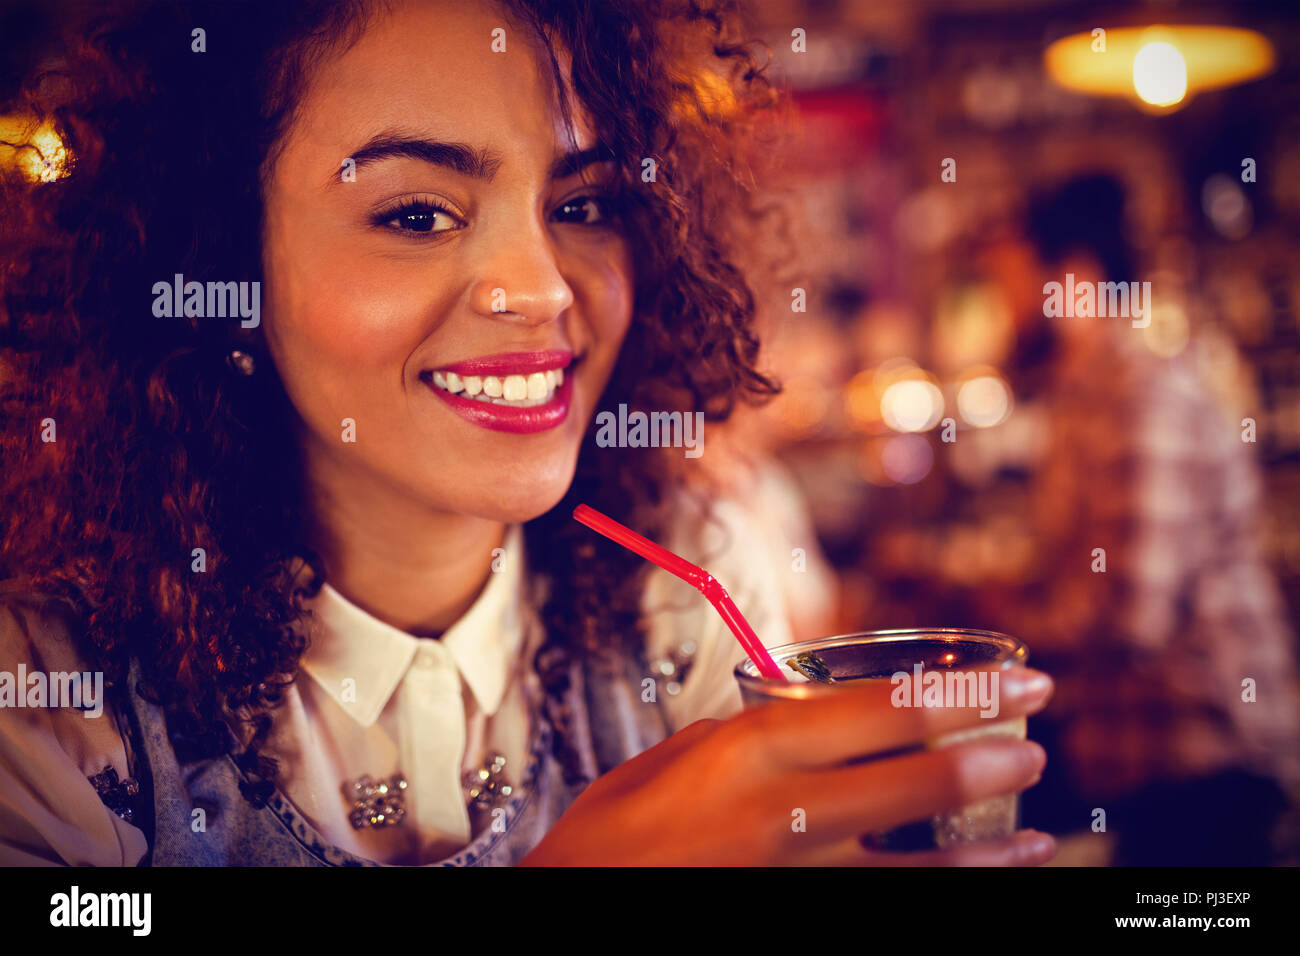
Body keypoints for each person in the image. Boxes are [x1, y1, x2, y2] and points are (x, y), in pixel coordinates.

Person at [0, 0, 1055, 866]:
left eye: (585, 204)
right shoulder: (47, 709)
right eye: (418, 213)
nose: (544, 289)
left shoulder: (681, 589)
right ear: (228, 264)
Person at [980, 175, 1300, 865]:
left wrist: (992, 628)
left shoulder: (1143, 400)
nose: (1001, 310)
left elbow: (1130, 617)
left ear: (1073, 280)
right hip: (1140, 759)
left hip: (1209, 764)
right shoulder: (1084, 399)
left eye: (1010, 283)